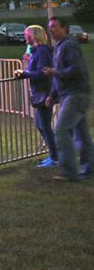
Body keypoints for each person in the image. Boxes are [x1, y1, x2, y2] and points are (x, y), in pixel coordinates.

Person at [44, 17, 92, 182]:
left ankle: (69, 171)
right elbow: (59, 74)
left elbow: (76, 70)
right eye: (49, 27)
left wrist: (55, 72)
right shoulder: (59, 47)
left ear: (64, 29)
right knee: (82, 135)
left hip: (76, 94)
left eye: (54, 27)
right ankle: (89, 169)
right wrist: (53, 95)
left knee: (61, 130)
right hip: (71, 95)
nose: (51, 30)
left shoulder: (69, 45)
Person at [13, 25, 58, 167]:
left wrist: (24, 73)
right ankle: (54, 155)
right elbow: (36, 70)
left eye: (27, 34)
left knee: (44, 125)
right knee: (40, 124)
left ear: (33, 36)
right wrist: (27, 64)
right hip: (40, 92)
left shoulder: (43, 52)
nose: (25, 37)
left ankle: (56, 158)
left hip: (45, 92)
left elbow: (42, 73)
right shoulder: (37, 52)